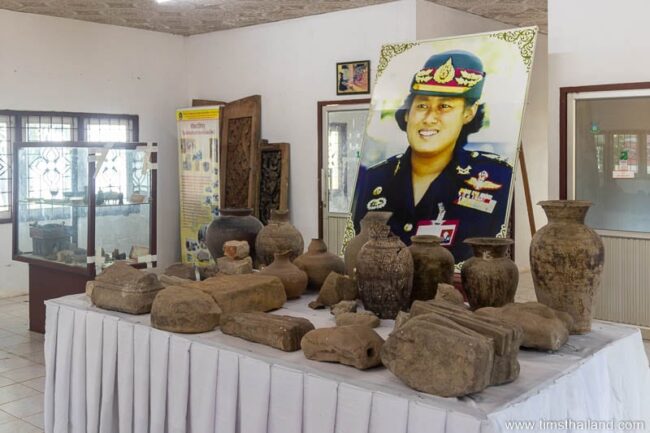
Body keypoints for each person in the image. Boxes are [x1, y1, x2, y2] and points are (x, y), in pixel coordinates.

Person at [351, 50, 513, 262]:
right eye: (422, 105)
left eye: (444, 107)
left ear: (468, 113)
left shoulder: (498, 177)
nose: (429, 118)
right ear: (408, 113)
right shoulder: (373, 179)